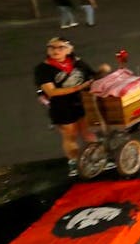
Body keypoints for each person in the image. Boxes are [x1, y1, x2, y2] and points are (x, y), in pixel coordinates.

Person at [35, 37, 99, 177]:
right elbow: (51, 92)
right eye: (52, 47)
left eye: (60, 47)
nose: (56, 50)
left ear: (69, 49)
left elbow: (92, 76)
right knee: (70, 136)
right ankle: (75, 163)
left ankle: (97, 158)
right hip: (61, 106)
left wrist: (101, 71)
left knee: (87, 132)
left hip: (82, 103)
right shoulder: (43, 69)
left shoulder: (77, 62)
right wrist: (78, 88)